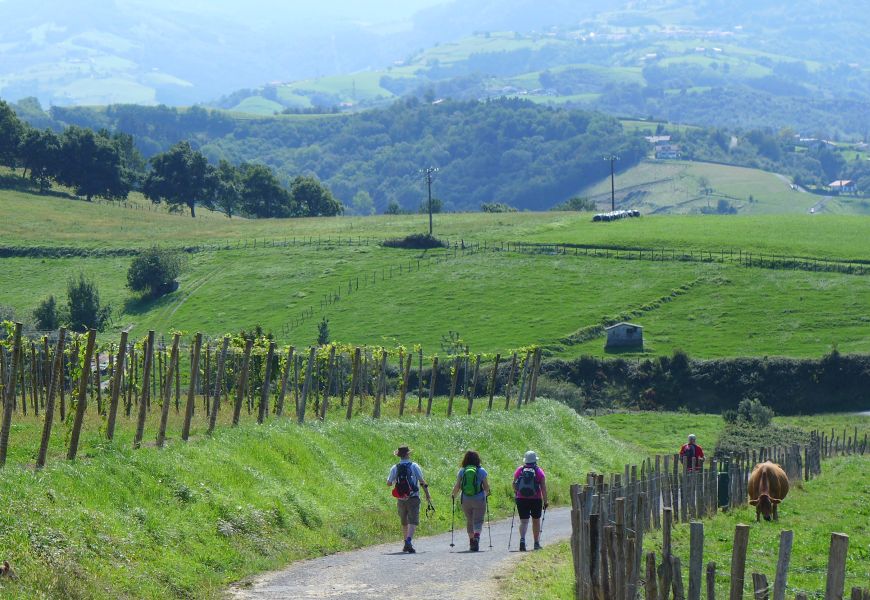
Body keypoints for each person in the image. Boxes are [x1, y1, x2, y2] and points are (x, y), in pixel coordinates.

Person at [386, 445, 432, 553]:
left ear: (399, 456)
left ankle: (405, 542)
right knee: (413, 520)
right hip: (413, 497)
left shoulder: (395, 467)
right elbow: (422, 481)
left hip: (401, 498)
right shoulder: (414, 466)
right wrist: (427, 495)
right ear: (408, 454)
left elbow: (388, 483)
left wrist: (395, 482)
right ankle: (408, 541)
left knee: (404, 521)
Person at [451, 450, 491, 552]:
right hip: (479, 498)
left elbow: (457, 486)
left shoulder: (462, 471)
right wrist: (485, 495)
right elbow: (486, 487)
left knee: (470, 520)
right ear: (477, 459)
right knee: (478, 520)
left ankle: (471, 542)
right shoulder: (481, 471)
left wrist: (453, 495)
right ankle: (477, 537)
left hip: (465, 499)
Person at [513, 450, 548, 551]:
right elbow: (543, 488)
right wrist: (545, 501)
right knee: (536, 521)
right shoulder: (539, 471)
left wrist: (517, 493)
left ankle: (522, 540)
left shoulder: (519, 470)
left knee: (524, 521)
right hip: (536, 499)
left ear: (526, 460)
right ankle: (536, 543)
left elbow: (514, 484)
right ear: (535, 461)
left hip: (521, 499)